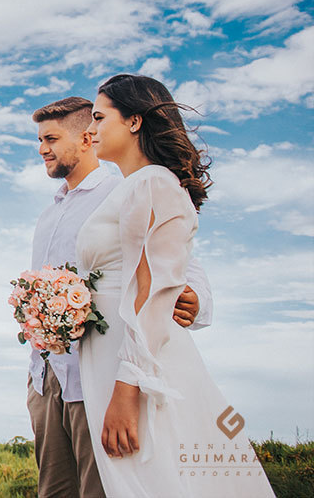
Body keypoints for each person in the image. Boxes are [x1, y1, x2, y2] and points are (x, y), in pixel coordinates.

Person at [76, 75, 275, 497]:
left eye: (98, 117)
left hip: (135, 371)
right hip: (107, 360)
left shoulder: (153, 183)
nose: (89, 130)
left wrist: (127, 390)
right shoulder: (133, 187)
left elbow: (154, 290)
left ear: (133, 121)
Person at [27, 96, 213, 498]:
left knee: (103, 488)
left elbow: (179, 261)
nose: (42, 148)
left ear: (85, 139)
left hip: (97, 371)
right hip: (45, 377)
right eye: (40, 139)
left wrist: (195, 297)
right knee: (53, 491)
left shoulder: (122, 190)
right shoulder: (47, 214)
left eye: (52, 138)